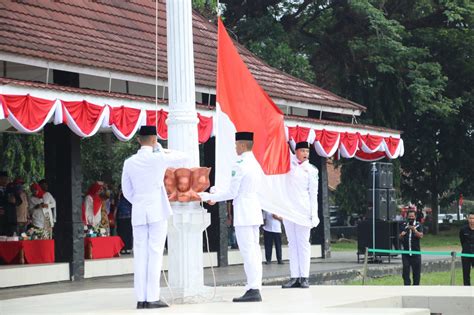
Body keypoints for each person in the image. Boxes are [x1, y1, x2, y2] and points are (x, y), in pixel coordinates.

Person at [121, 125, 187, 309]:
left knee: (140, 254)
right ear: (154, 139)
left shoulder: (129, 162)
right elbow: (184, 157)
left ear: (138, 140)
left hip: (139, 211)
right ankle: (152, 297)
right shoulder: (158, 158)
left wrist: (140, 201)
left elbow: (127, 191)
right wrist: (160, 148)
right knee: (155, 252)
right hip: (157, 210)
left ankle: (141, 298)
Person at [199, 131, 264, 303]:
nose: (235, 148)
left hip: (244, 210)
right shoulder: (255, 162)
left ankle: (253, 289)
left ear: (242, 145)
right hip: (254, 209)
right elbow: (237, 189)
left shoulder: (240, 163)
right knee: (254, 250)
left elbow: (233, 192)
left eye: (236, 145)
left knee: (248, 251)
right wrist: (218, 192)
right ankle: (254, 286)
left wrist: (208, 197)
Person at [281, 141, 319, 289]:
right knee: (292, 244)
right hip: (289, 210)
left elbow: (313, 194)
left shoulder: (311, 170)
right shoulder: (288, 165)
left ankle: (304, 277)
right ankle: (294, 276)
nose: (305, 154)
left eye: (307, 151)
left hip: (304, 211)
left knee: (303, 244)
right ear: (296, 152)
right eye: (302, 150)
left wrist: (314, 214)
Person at [399, 210, 424, 285]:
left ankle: (416, 288)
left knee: (416, 273)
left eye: (412, 216)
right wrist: (401, 235)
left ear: (415, 217)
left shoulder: (418, 225)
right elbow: (399, 237)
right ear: (407, 216)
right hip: (406, 253)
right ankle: (407, 287)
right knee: (405, 272)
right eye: (409, 216)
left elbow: (421, 236)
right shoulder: (403, 225)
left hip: (416, 253)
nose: (411, 218)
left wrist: (414, 230)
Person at [116, 186, 133, 254]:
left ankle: (128, 247)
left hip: (126, 217)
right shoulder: (119, 198)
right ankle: (123, 247)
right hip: (123, 218)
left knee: (127, 233)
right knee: (123, 233)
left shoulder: (128, 198)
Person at [459, 212, 474, 286]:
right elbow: (462, 241)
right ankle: (467, 288)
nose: (472, 220)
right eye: (470, 218)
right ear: (468, 219)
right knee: (466, 273)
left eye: (473, 218)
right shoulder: (463, 229)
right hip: (466, 253)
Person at [0, 171, 9, 235]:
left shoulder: (9, 190)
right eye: (4, 179)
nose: (6, 181)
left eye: (7, 179)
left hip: (7, 218)